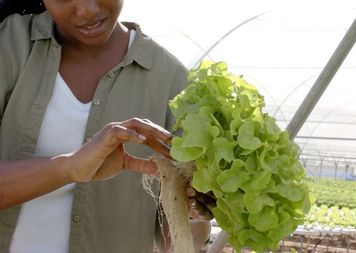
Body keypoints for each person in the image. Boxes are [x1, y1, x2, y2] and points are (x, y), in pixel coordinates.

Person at [0, 0, 213, 252]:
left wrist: (197, 207)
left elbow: (177, 236)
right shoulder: (10, 44)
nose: (87, 10)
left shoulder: (174, 82)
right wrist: (71, 167)